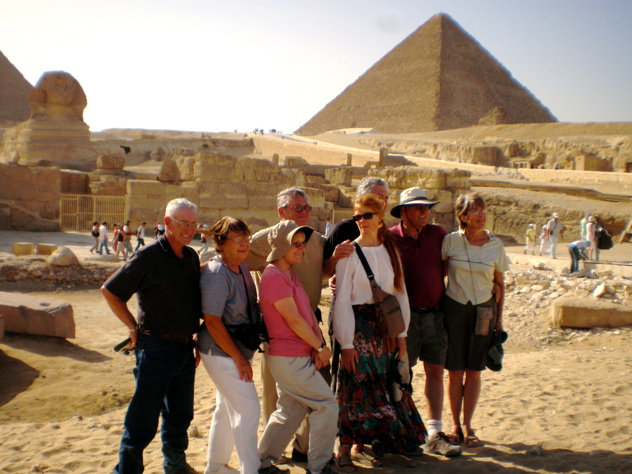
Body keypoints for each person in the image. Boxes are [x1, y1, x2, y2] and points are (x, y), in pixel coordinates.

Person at [101, 198, 202, 474]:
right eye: (184, 223)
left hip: (184, 349)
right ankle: (127, 470)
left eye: (193, 224)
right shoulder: (148, 257)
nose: (189, 229)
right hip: (155, 349)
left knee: (180, 415)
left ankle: (175, 464)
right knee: (143, 418)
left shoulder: (191, 256)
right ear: (167, 223)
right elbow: (110, 291)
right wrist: (132, 327)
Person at [332, 194, 425, 471]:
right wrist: (346, 343)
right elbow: (342, 301)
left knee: (384, 385)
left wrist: (402, 338)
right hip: (358, 330)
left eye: (367, 216)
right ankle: (344, 450)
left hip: (385, 329)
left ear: (380, 216)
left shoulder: (391, 251)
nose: (361, 221)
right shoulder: (348, 252)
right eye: (357, 216)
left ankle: (374, 442)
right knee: (353, 387)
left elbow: (400, 295)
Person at [245, 187, 330, 462]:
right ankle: (273, 455)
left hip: (309, 327)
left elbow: (321, 271)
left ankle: (303, 449)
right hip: (279, 334)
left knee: (297, 401)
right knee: (277, 395)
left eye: (306, 207)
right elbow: (235, 260)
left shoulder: (314, 239)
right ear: (281, 212)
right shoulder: (267, 241)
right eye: (297, 208)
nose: (304, 212)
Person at [257, 220, 338, 474]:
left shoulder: (288, 273)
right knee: (326, 405)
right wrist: (321, 346)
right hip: (288, 357)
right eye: (296, 244)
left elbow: (308, 315)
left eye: (303, 244)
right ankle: (319, 465)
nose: (302, 249)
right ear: (281, 245)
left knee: (290, 410)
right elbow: (293, 320)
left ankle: (260, 463)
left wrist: (317, 346)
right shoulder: (273, 276)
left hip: (297, 356)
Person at [389, 187, 462, 458]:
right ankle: (401, 430)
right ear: (403, 211)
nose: (424, 211)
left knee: (435, 371)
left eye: (427, 207)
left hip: (435, 315)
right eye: (418, 207)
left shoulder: (438, 234)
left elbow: (448, 267)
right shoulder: (390, 238)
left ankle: (434, 433)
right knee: (400, 375)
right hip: (404, 321)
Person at [441, 192, 509, 448]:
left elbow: (500, 284)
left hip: (484, 313)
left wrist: (499, 320)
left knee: (474, 371)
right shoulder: (450, 242)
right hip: (455, 310)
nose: (481, 215)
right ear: (463, 217)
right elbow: (439, 274)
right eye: (475, 211)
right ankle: (454, 425)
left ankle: (468, 424)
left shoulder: (496, 246)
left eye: (483, 209)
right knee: (455, 371)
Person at [198, 217, 260, 474]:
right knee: (248, 410)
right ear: (221, 243)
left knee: (226, 408)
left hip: (235, 348)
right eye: (238, 239)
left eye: (246, 237)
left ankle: (216, 467)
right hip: (221, 350)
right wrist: (239, 359)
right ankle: (250, 470)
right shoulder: (217, 274)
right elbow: (212, 322)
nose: (245, 243)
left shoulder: (239, 265)